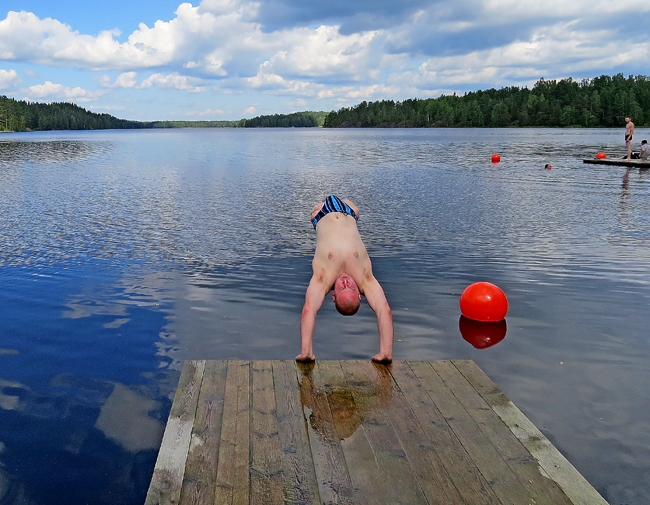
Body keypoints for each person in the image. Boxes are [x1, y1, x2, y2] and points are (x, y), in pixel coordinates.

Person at [297, 195, 393, 363]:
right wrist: (385, 353)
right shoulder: (365, 278)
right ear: (359, 295)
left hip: (322, 214)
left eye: (342, 288)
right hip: (348, 212)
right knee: (352, 205)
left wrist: (306, 352)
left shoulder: (323, 278)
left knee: (316, 208)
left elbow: (309, 308)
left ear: (333, 295)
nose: (346, 282)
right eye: (351, 287)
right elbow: (383, 309)